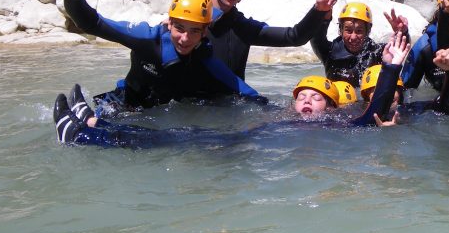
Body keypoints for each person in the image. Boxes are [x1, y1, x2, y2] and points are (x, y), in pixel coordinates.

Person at [53, 33, 411, 147]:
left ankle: (83, 138)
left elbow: (369, 117)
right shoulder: (284, 114)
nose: (306, 101)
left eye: (316, 98)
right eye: (301, 96)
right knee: (184, 134)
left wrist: (391, 67)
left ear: (330, 107)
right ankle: (97, 125)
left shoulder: (333, 126)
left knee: (181, 139)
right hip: (241, 142)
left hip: (248, 148)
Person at [59, 0, 259, 115]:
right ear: (168, 23)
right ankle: (90, 120)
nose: (185, 39)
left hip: (156, 112)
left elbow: (240, 88)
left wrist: (273, 112)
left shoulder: (203, 55)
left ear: (204, 32)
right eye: (180, 28)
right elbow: (94, 24)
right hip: (122, 104)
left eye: (194, 31)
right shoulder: (147, 37)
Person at [206, 0, 338, 79]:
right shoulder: (195, 21)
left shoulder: (243, 27)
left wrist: (318, 10)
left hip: (232, 99)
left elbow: (295, 37)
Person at [310, 1, 409, 87]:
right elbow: (315, 37)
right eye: (348, 30)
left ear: (368, 31)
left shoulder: (376, 51)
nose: (353, 37)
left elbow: (399, 51)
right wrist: (323, 18)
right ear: (340, 30)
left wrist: (402, 32)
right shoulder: (329, 52)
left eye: (359, 31)